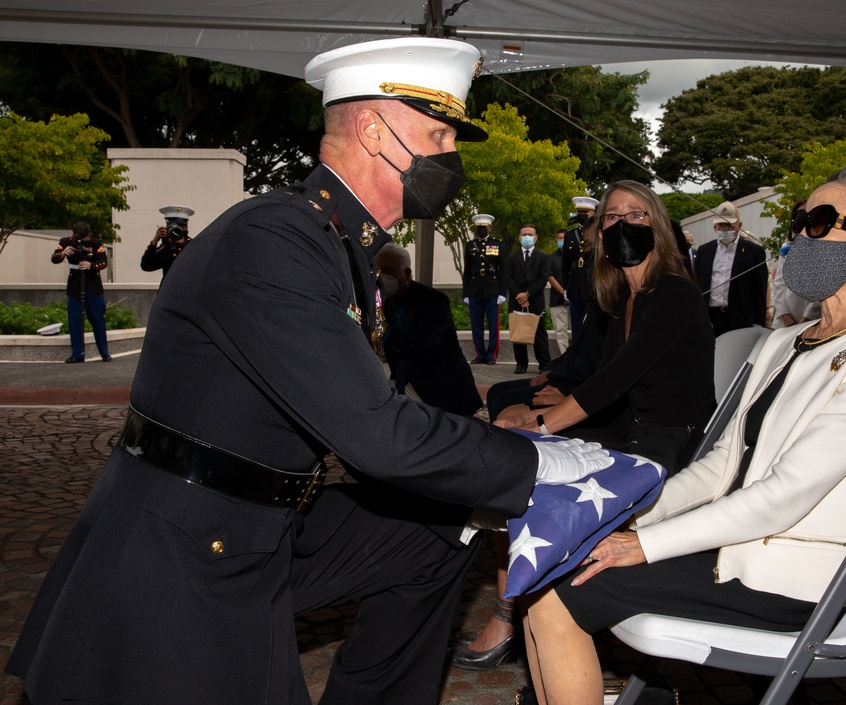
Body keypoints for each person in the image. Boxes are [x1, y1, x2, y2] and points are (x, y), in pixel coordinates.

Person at [6, 37, 614, 705]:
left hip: (267, 513)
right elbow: (377, 433)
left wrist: (483, 470)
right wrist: (532, 466)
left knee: (441, 529)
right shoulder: (274, 241)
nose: (451, 157)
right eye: (438, 132)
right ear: (374, 130)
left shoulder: (338, 244)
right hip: (184, 537)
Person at [518, 165, 846, 705]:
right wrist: (633, 518)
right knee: (552, 570)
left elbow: (783, 496)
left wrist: (645, 545)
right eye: (802, 219)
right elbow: (719, 466)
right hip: (732, 547)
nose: (802, 233)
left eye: (822, 221)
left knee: (555, 597)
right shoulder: (787, 343)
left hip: (792, 573)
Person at [498, 180, 716, 472]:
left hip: (667, 441)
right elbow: (607, 382)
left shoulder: (676, 294)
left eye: (637, 215)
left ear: (658, 228)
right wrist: (538, 416)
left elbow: (614, 380)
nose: (624, 224)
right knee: (508, 428)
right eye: (613, 216)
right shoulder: (623, 300)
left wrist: (538, 426)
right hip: (628, 429)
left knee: (520, 451)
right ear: (601, 233)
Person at [376, 242, 483, 415]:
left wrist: (383, 330)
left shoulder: (433, 301)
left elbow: (421, 349)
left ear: (407, 274)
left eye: (387, 270)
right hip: (406, 387)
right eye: (377, 270)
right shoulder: (382, 302)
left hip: (443, 391)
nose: (381, 276)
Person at [696, 200, 769, 337]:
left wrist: (759, 322)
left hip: (741, 319)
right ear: (714, 227)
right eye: (721, 224)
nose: (724, 229)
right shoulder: (704, 251)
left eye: (729, 224)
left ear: (738, 226)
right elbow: (698, 285)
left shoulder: (754, 252)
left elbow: (760, 289)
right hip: (711, 318)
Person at [51, 221, 112, 363]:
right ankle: (78, 353)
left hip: (92, 285)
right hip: (75, 284)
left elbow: (103, 261)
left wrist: (91, 265)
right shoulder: (65, 242)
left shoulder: (96, 243)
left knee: (97, 319)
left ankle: (104, 352)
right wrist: (62, 254)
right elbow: (54, 258)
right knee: (75, 320)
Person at [507, 223, 552, 374]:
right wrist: (519, 295)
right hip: (516, 299)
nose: (527, 237)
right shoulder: (512, 258)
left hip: (535, 300)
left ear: (536, 238)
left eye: (530, 235)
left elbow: (543, 278)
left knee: (539, 333)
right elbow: (508, 278)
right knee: (518, 331)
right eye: (524, 235)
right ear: (519, 238)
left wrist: (527, 294)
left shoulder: (543, 257)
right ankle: (521, 364)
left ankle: (544, 363)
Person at [463, 213, 507, 364]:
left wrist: (502, 292)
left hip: (492, 290)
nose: (481, 230)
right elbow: (467, 271)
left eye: (484, 227)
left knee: (493, 325)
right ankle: (480, 353)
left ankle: (491, 355)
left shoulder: (498, 244)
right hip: (474, 289)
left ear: (489, 228)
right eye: (479, 228)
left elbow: (504, 270)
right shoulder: (470, 245)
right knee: (476, 324)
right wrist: (465, 293)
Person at [772, 199, 820, 329]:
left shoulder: (824, 248)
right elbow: (779, 284)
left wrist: (807, 317)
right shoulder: (787, 248)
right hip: (786, 324)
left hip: (813, 321)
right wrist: (785, 316)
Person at [562, 196, 599, 338]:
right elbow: (565, 265)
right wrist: (566, 287)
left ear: (593, 214)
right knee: (577, 329)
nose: (582, 216)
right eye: (580, 213)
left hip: (593, 286)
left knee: (593, 328)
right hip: (575, 287)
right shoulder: (570, 235)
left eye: (586, 213)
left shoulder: (599, 234)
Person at [141, 205, 195, 279]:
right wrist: (154, 242)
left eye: (181, 227)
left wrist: (183, 245)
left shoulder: (193, 245)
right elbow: (146, 266)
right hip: (169, 289)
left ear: (186, 228)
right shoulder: (166, 247)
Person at [547, 229, 571, 355]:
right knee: (560, 331)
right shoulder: (551, 258)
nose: (561, 240)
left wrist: (570, 293)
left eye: (564, 238)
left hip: (575, 299)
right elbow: (550, 277)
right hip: (557, 300)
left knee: (579, 330)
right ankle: (564, 356)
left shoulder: (575, 255)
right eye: (559, 238)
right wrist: (564, 293)